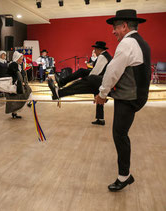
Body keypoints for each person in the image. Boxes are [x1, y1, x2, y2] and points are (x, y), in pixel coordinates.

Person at [49, 9, 151, 191]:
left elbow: (113, 72)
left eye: (115, 28)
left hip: (129, 96)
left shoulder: (127, 43)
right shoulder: (140, 42)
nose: (113, 32)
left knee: (119, 135)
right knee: (92, 80)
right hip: (135, 94)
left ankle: (124, 176)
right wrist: (102, 92)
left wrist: (102, 95)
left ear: (125, 26)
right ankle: (60, 93)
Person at [55, 41, 112, 125]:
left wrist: (86, 80)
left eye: (95, 49)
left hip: (100, 79)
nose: (94, 51)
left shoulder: (103, 56)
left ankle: (61, 84)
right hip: (101, 79)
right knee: (83, 73)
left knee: (82, 79)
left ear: (99, 49)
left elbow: (96, 72)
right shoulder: (105, 55)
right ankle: (100, 119)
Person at [6, 51, 32, 119]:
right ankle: (29, 103)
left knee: (17, 98)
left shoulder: (17, 65)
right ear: (17, 58)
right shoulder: (13, 64)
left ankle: (15, 113)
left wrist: (23, 69)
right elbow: (16, 74)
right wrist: (20, 82)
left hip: (18, 84)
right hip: (13, 84)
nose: (22, 59)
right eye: (21, 58)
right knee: (15, 99)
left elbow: (21, 74)